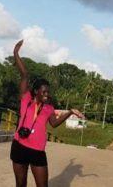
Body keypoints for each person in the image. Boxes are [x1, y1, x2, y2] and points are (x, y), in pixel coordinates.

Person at [10, 40, 85, 187]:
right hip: (19, 145)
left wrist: (70, 112)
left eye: (48, 92)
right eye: (44, 92)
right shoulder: (26, 100)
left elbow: (55, 123)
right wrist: (16, 53)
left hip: (37, 150)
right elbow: (24, 75)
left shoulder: (48, 108)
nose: (46, 94)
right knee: (20, 184)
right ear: (36, 91)